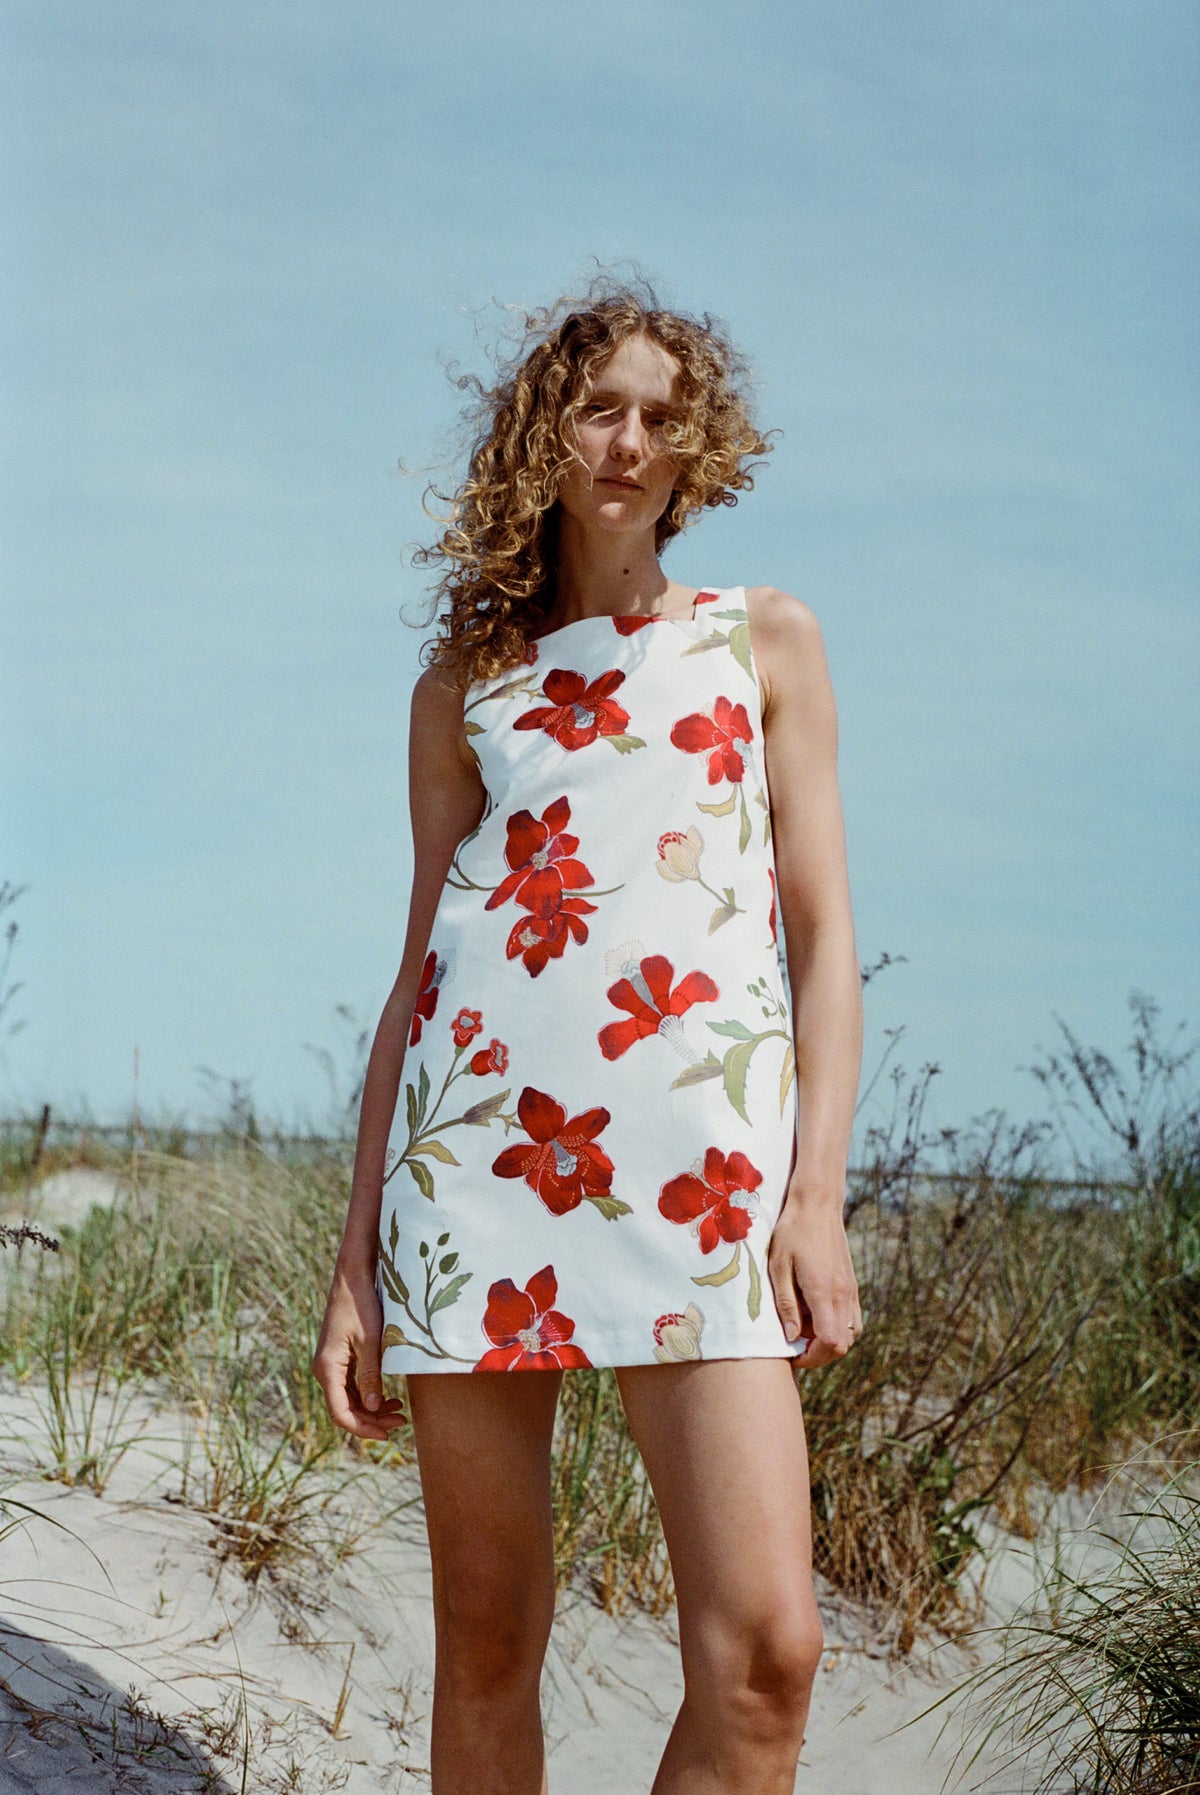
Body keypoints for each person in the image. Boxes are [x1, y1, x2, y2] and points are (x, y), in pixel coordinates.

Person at [312, 275, 864, 1795]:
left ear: (699, 450)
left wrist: (814, 1196)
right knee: (489, 1645)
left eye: (661, 417)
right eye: (598, 408)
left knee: (767, 1657)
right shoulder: (465, 689)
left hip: (704, 1192)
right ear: (542, 436)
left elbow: (825, 938)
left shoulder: (764, 643)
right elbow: (420, 976)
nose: (629, 441)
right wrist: (357, 1262)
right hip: (477, 1184)